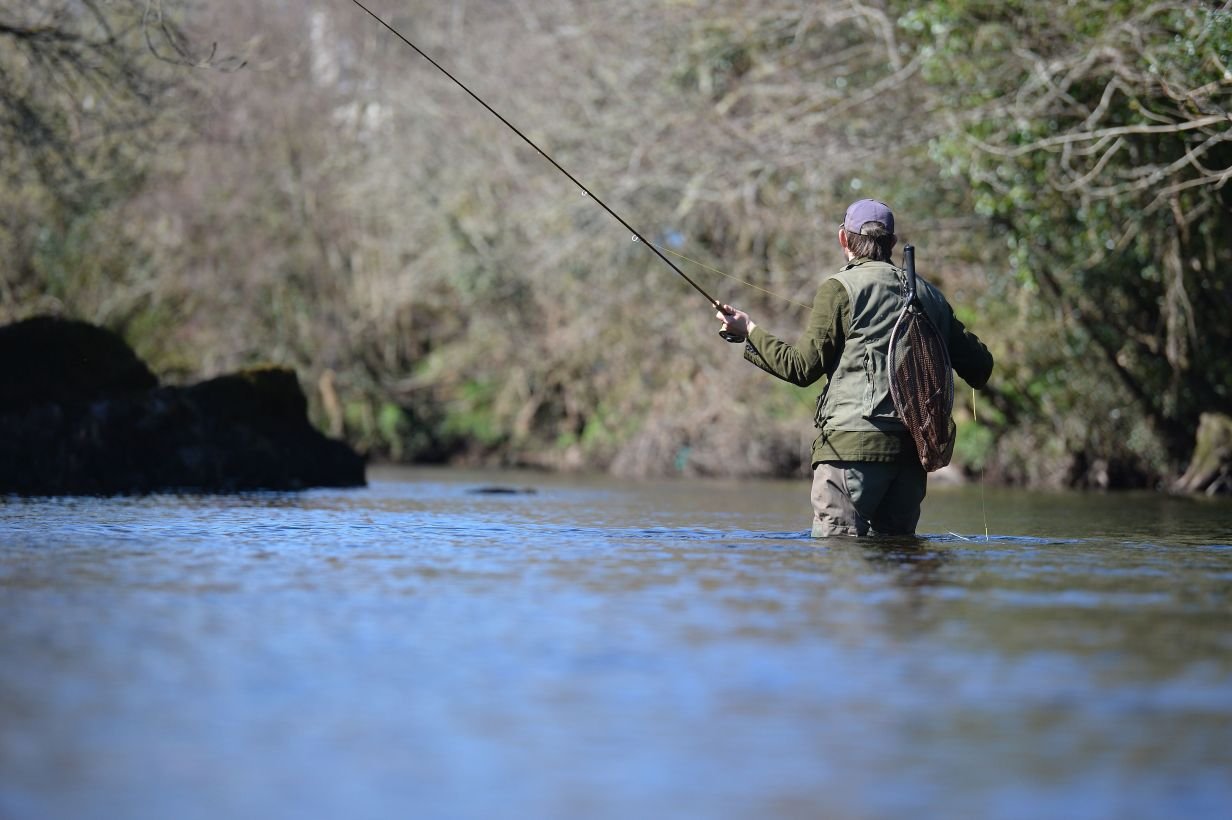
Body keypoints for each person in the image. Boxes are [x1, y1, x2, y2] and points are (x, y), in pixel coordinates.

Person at [717, 199, 994, 537]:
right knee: (897, 568)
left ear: (843, 240)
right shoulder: (930, 295)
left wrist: (748, 331)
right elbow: (980, 368)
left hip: (848, 453)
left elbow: (800, 368)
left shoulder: (839, 289)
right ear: (891, 243)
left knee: (841, 568)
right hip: (910, 458)